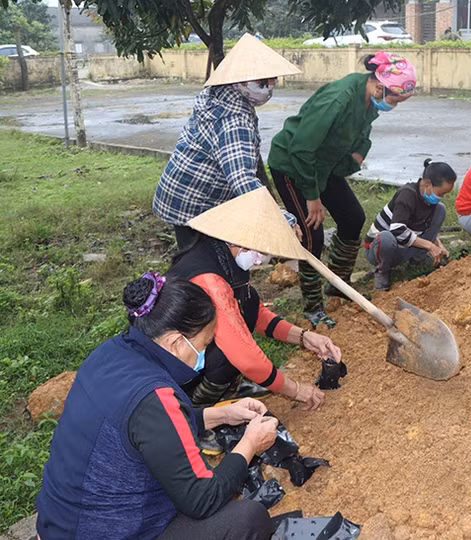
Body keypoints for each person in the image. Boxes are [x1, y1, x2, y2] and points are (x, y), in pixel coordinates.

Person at [37, 273, 281, 539]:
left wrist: (221, 414)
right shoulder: (155, 397)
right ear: (176, 342)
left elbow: (146, 431)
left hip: (60, 524)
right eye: (205, 344)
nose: (205, 354)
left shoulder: (109, 354)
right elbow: (202, 500)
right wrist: (250, 445)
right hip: (109, 531)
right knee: (248, 519)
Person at [268, 51, 417, 328]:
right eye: (394, 100)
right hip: (294, 165)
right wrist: (312, 197)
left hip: (325, 164)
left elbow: (363, 132)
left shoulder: (370, 99)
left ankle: (338, 285)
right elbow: (301, 148)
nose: (393, 106)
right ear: (379, 86)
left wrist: (360, 152)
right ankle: (312, 307)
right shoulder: (338, 99)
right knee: (311, 234)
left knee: (352, 217)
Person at [167, 188, 338, 411]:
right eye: (260, 252)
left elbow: (255, 314)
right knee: (228, 355)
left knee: (247, 304)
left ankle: (230, 390)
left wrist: (305, 337)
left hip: (189, 353)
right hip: (173, 370)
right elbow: (245, 357)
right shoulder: (209, 279)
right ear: (241, 241)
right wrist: (295, 390)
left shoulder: (222, 255)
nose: (259, 261)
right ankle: (195, 411)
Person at [153, 33, 302, 250]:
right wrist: (282, 220)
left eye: (272, 81)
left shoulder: (223, 95)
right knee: (205, 269)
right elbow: (242, 179)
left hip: (188, 193)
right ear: (240, 80)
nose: (268, 88)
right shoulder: (233, 120)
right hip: (195, 204)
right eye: (262, 82)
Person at [364, 159, 456, 290]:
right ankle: (382, 271)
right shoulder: (407, 195)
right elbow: (397, 230)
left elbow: (424, 227)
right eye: (441, 193)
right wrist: (429, 246)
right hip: (379, 249)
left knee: (441, 209)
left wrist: (438, 246)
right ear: (427, 184)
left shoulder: (429, 200)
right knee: (386, 237)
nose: (441, 197)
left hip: (404, 247)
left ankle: (418, 259)